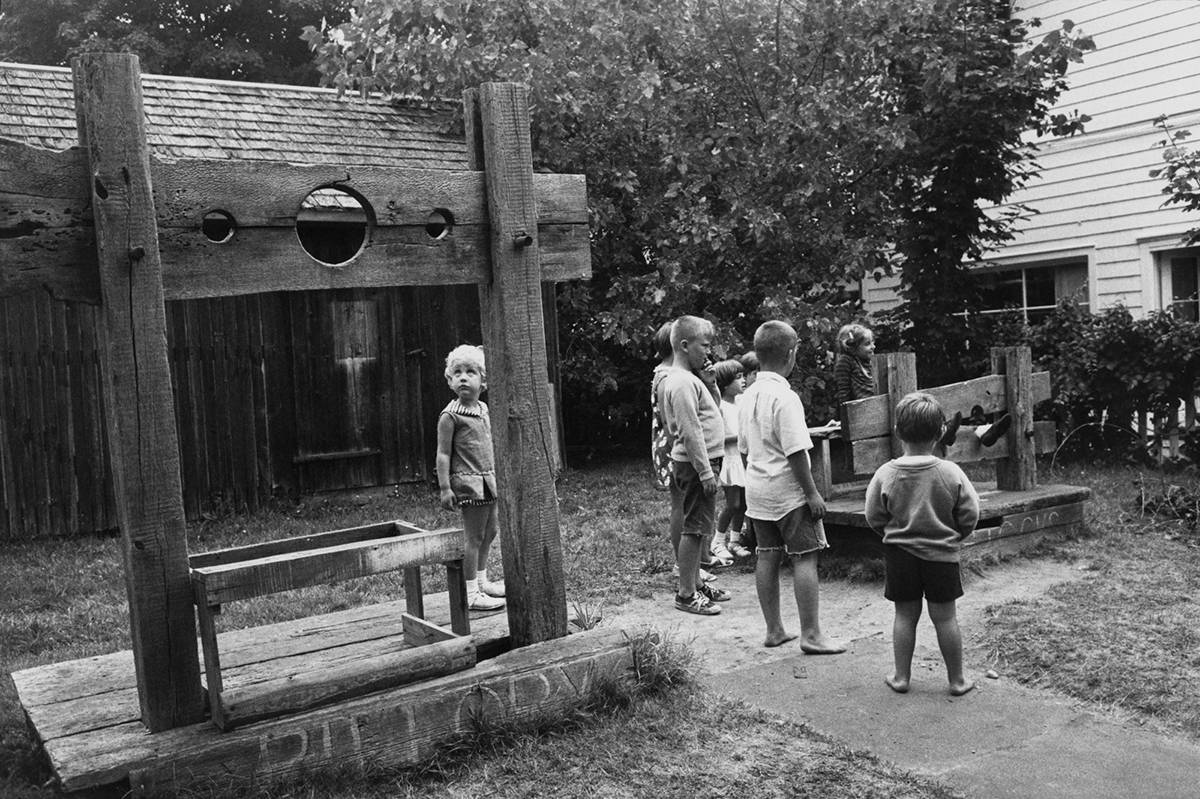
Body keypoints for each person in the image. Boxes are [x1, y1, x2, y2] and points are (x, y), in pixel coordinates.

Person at [865, 391, 981, 696]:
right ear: (941, 431)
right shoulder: (950, 472)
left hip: (900, 555)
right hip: (941, 555)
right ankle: (957, 680)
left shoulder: (885, 474)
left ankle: (901, 677)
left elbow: (874, 515)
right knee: (945, 617)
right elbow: (971, 512)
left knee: (904, 616)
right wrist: (956, 534)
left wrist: (892, 535)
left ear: (898, 431)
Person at [739, 320, 844, 652]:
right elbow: (796, 451)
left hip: (756, 489)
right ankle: (811, 634)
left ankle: (774, 630)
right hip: (788, 492)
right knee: (804, 557)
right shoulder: (785, 397)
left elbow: (744, 449)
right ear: (791, 353)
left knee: (766, 555)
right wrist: (811, 493)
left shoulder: (747, 395)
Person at [657, 315, 732, 615]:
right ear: (685, 346)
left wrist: (712, 385)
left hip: (705, 462)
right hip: (695, 465)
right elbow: (689, 430)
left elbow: (710, 413)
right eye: (705, 345)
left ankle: (697, 585)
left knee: (701, 526)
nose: (709, 352)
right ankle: (686, 593)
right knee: (693, 528)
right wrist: (704, 471)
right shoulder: (681, 382)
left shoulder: (691, 379)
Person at [436, 344, 506, 611]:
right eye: (457, 373)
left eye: (470, 372)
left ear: (483, 380)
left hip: (489, 481)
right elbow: (443, 454)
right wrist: (445, 487)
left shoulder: (484, 409)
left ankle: (482, 581)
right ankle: (470, 592)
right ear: (449, 380)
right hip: (469, 483)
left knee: (490, 532)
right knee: (473, 537)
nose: (463, 377)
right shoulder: (451, 415)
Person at [711, 358, 750, 560]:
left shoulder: (741, 402)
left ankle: (735, 540)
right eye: (738, 378)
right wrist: (740, 436)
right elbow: (718, 439)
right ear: (725, 384)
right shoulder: (721, 408)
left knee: (743, 503)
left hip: (743, 459)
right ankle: (718, 541)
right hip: (730, 460)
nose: (743, 381)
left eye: (743, 376)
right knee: (733, 503)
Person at [832, 323, 876, 408]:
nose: (873, 346)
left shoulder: (869, 362)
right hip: (858, 410)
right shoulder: (845, 361)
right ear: (852, 348)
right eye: (867, 344)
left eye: (873, 342)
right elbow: (843, 394)